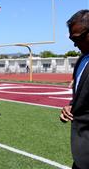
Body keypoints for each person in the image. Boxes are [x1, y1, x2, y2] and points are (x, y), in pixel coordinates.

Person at [59, 9, 89, 169]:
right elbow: (82, 97)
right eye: (72, 39)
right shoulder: (82, 60)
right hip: (81, 152)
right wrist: (71, 105)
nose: (75, 44)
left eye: (78, 38)